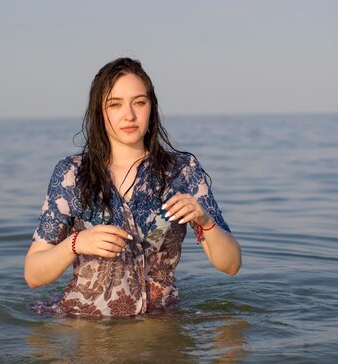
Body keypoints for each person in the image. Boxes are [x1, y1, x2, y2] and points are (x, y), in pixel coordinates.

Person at [24, 57, 241, 317]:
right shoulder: (72, 173)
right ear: (99, 112)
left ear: (152, 107)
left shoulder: (181, 171)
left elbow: (231, 265)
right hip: (85, 326)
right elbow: (33, 275)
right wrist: (77, 242)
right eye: (115, 105)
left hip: (159, 326)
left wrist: (205, 220)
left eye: (139, 102)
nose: (129, 115)